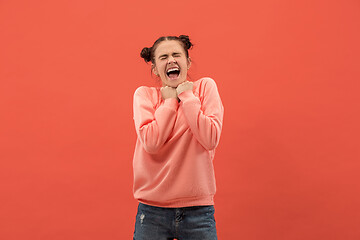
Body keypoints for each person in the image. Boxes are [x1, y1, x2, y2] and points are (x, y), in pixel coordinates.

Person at [132, 35, 224, 240]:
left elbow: (210, 138)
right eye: (163, 57)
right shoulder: (144, 95)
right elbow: (151, 142)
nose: (171, 60)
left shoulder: (204, 88)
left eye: (176, 54)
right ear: (155, 68)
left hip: (199, 210)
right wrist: (169, 103)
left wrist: (187, 96)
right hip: (152, 210)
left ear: (187, 62)